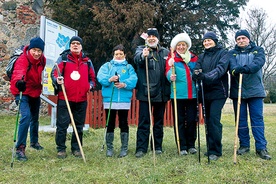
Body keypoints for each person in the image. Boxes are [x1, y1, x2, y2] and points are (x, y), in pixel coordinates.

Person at [51, 36, 96, 159]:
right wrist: (57, 80)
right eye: (73, 44)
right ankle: (61, 149)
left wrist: (90, 86)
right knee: (62, 125)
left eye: (77, 43)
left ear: (81, 46)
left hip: (81, 99)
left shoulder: (87, 61)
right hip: (64, 98)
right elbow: (55, 73)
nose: (75, 45)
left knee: (78, 126)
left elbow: (92, 78)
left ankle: (76, 148)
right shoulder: (64, 59)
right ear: (70, 46)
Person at [229, 29, 271, 160]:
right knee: (240, 120)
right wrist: (235, 70)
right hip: (238, 92)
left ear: (248, 39)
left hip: (255, 91)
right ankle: (244, 145)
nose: (241, 41)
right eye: (238, 39)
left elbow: (258, 63)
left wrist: (246, 69)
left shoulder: (258, 50)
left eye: (243, 38)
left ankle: (261, 147)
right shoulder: (232, 53)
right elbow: (232, 67)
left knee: (257, 119)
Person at [134, 28, 170, 158]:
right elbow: (137, 59)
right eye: (149, 36)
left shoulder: (165, 52)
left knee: (159, 122)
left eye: (154, 36)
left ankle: (157, 146)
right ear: (146, 38)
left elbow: (170, 68)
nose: (151, 38)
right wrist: (143, 55)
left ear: (158, 38)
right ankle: (141, 148)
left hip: (162, 92)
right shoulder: (141, 49)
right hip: (146, 92)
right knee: (144, 122)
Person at [192, 31, 229, 161]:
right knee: (207, 121)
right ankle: (210, 147)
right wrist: (196, 74)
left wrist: (205, 76)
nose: (207, 42)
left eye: (209, 40)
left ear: (215, 41)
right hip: (205, 92)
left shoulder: (223, 53)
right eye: (205, 41)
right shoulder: (202, 56)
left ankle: (216, 150)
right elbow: (197, 68)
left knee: (214, 119)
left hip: (219, 92)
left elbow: (220, 69)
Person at [97, 44, 138, 158]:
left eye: (121, 54)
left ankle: (124, 148)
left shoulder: (129, 67)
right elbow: (100, 77)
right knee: (110, 123)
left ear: (124, 55)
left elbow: (134, 79)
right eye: (116, 54)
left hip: (124, 100)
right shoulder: (107, 66)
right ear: (113, 55)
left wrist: (124, 84)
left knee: (123, 123)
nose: (119, 56)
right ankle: (109, 147)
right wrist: (109, 79)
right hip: (110, 99)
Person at [10, 37, 46, 161]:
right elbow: (19, 72)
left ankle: (34, 142)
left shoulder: (43, 60)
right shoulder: (23, 59)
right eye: (34, 50)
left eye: (39, 51)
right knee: (26, 116)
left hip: (35, 91)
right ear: (30, 49)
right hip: (22, 90)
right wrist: (19, 81)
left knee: (35, 117)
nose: (36, 53)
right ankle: (20, 148)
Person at [165, 33, 198, 155]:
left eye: (183, 45)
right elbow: (167, 72)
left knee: (191, 120)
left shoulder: (194, 58)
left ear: (187, 46)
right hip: (178, 95)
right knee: (179, 120)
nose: (181, 47)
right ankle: (182, 145)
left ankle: (191, 145)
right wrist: (170, 76)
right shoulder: (172, 59)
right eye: (179, 45)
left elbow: (197, 71)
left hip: (192, 95)